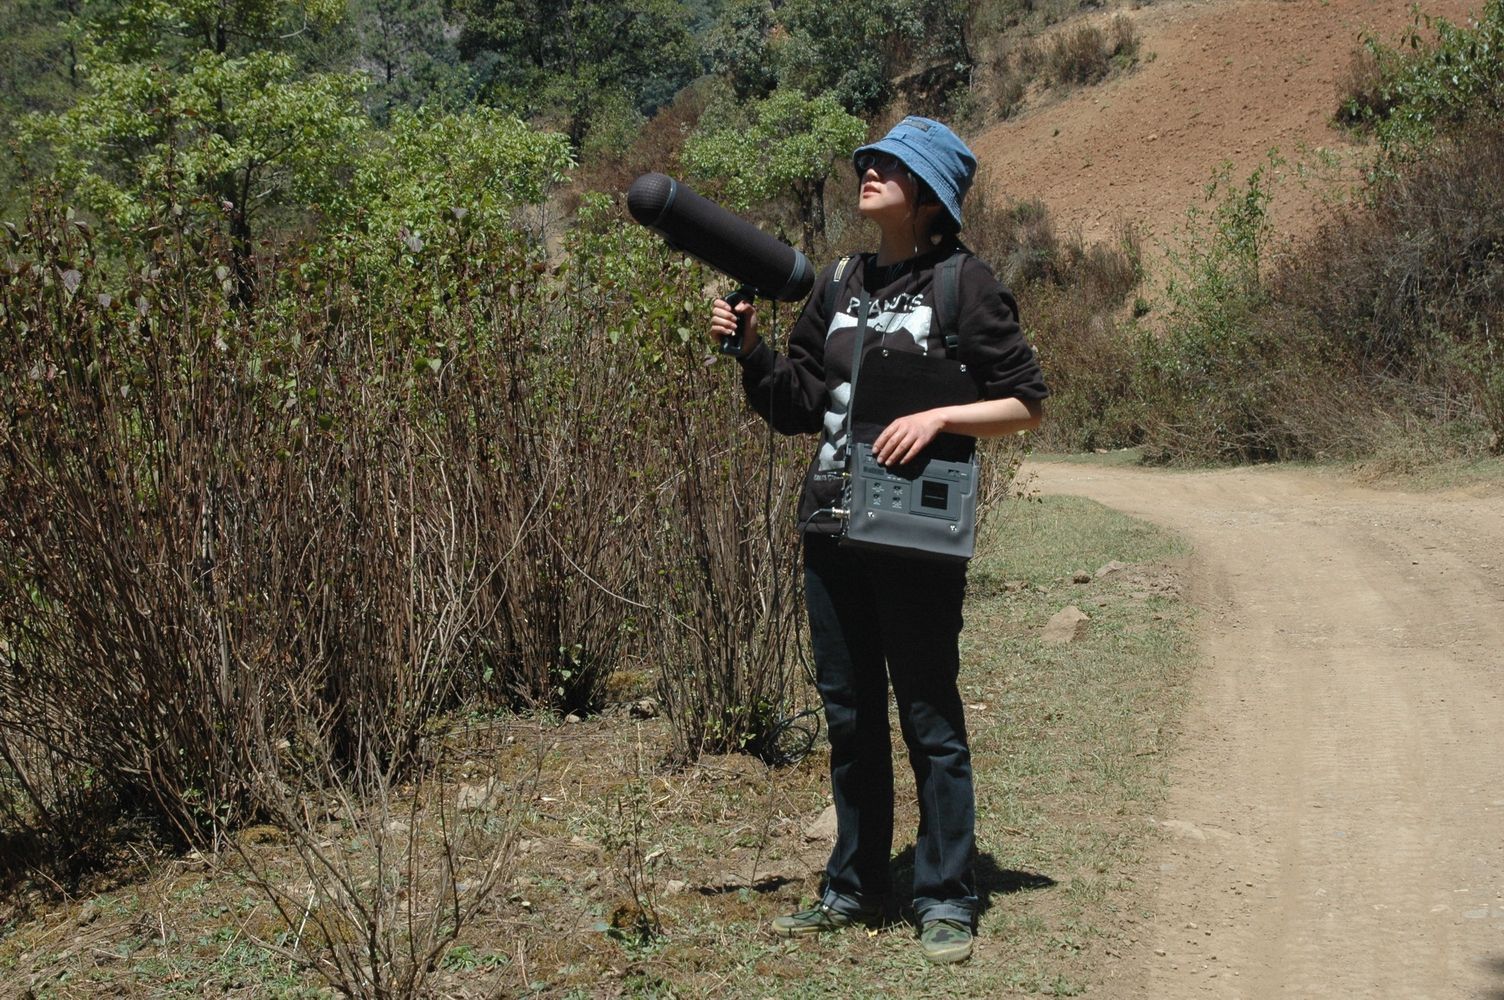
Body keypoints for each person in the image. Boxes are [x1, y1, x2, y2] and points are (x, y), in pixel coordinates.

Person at [708, 116, 1048, 964]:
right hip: (830, 523)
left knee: (928, 715)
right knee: (850, 714)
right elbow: (797, 405)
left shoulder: (964, 284)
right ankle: (854, 885)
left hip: (916, 533)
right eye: (866, 159)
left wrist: (935, 414)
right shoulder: (839, 282)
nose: (867, 170)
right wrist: (752, 351)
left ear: (929, 194)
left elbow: (1025, 401)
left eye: (888, 164)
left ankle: (944, 894)